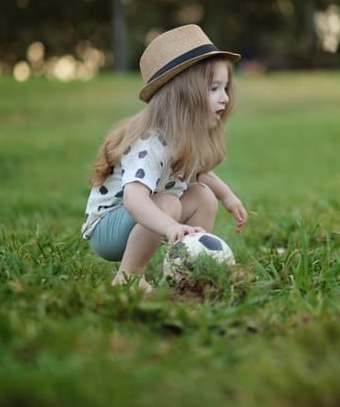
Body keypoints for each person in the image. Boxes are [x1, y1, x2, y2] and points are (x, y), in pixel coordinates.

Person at [81, 25, 248, 293]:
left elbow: (198, 172)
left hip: (147, 216)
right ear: (182, 96)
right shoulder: (151, 142)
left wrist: (227, 197)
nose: (225, 99)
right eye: (214, 88)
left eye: (226, 88)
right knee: (168, 203)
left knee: (203, 195)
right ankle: (128, 277)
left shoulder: (185, 137)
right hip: (108, 229)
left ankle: (191, 264)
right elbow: (133, 199)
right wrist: (170, 225)